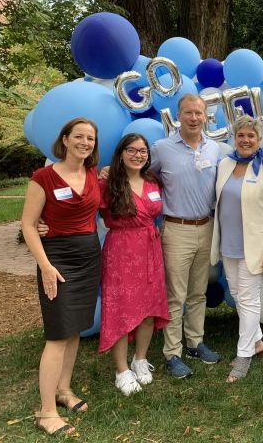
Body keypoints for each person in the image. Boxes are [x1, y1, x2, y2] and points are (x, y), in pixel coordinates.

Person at [21, 118, 101, 436]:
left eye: (90, 138)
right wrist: (45, 266)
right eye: (79, 137)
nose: (85, 142)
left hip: (88, 257)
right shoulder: (44, 177)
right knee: (57, 335)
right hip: (57, 261)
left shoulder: (94, 174)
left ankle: (64, 390)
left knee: (75, 330)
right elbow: (28, 225)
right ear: (65, 140)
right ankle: (46, 411)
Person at [210, 116, 263, 382]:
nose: (245, 140)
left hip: (256, 247)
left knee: (250, 299)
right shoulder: (226, 165)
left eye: (250, 136)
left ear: (259, 139)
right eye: (241, 135)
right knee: (238, 295)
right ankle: (258, 341)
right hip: (228, 245)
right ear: (235, 138)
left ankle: (243, 356)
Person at [151, 94, 222, 378]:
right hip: (176, 229)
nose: (194, 118)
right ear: (177, 116)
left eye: (199, 113)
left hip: (206, 227)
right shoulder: (162, 148)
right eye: (188, 113)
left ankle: (195, 342)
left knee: (198, 292)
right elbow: (139, 174)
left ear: (206, 116)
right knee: (175, 295)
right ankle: (172, 353)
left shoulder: (215, 149)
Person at [98, 134, 170, 396]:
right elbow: (81, 209)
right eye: (132, 150)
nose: (138, 155)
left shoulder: (152, 181)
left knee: (150, 308)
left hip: (150, 249)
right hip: (122, 252)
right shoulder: (107, 183)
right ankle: (121, 371)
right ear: (121, 153)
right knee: (121, 310)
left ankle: (139, 359)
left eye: (143, 151)